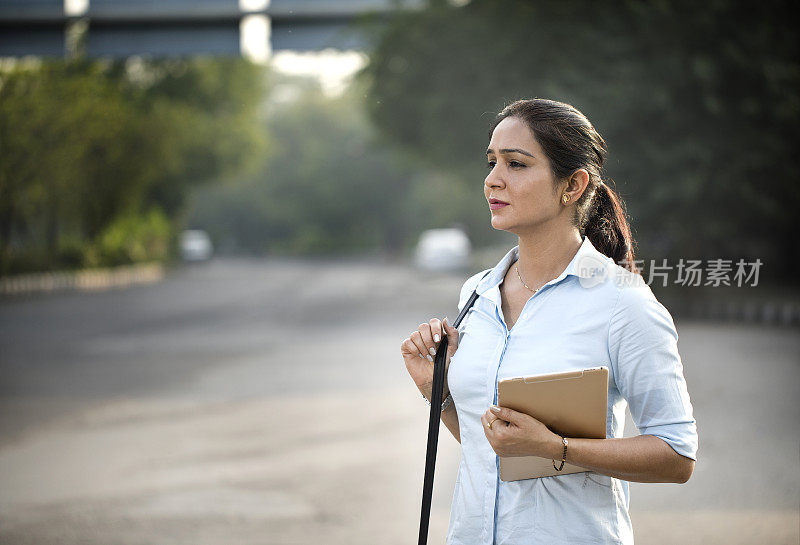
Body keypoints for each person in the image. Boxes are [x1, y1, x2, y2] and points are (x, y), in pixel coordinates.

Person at [400, 98, 698, 545]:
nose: (492, 180)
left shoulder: (622, 304)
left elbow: (676, 455)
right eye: (492, 162)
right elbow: (495, 448)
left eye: (516, 164)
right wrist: (436, 392)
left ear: (573, 185)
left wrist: (556, 448)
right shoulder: (476, 295)